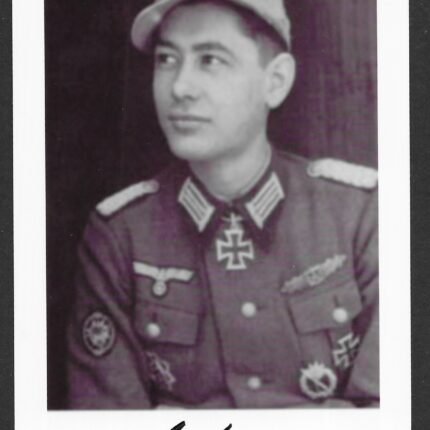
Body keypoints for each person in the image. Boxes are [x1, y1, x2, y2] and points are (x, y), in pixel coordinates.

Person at [67, 0, 378, 409]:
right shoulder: (121, 235)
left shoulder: (359, 215)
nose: (180, 87)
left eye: (210, 60)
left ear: (275, 82)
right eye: (166, 59)